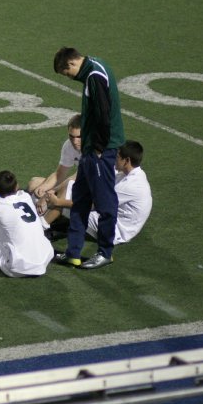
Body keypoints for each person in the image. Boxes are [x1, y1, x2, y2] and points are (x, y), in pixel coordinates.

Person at [53, 47, 125, 270]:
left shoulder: (94, 76)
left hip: (99, 150)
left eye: (67, 73)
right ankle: (73, 253)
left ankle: (105, 252)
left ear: (71, 65)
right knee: (81, 199)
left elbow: (103, 114)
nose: (69, 78)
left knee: (105, 203)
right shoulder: (96, 64)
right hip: (91, 150)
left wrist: (100, 148)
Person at [40, 141, 152, 245]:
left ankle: (40, 229)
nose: (114, 159)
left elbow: (94, 205)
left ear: (127, 161)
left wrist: (59, 202)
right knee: (71, 189)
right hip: (115, 218)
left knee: (66, 198)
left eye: (117, 157)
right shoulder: (127, 175)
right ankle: (53, 226)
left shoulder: (130, 185)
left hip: (116, 229)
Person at [28, 114, 82, 223]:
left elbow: (77, 177)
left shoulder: (94, 150)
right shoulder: (69, 145)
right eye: (71, 136)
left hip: (95, 191)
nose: (75, 141)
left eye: (79, 137)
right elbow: (60, 173)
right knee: (34, 183)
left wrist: (51, 192)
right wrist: (44, 187)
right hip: (80, 185)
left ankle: (44, 227)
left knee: (67, 185)